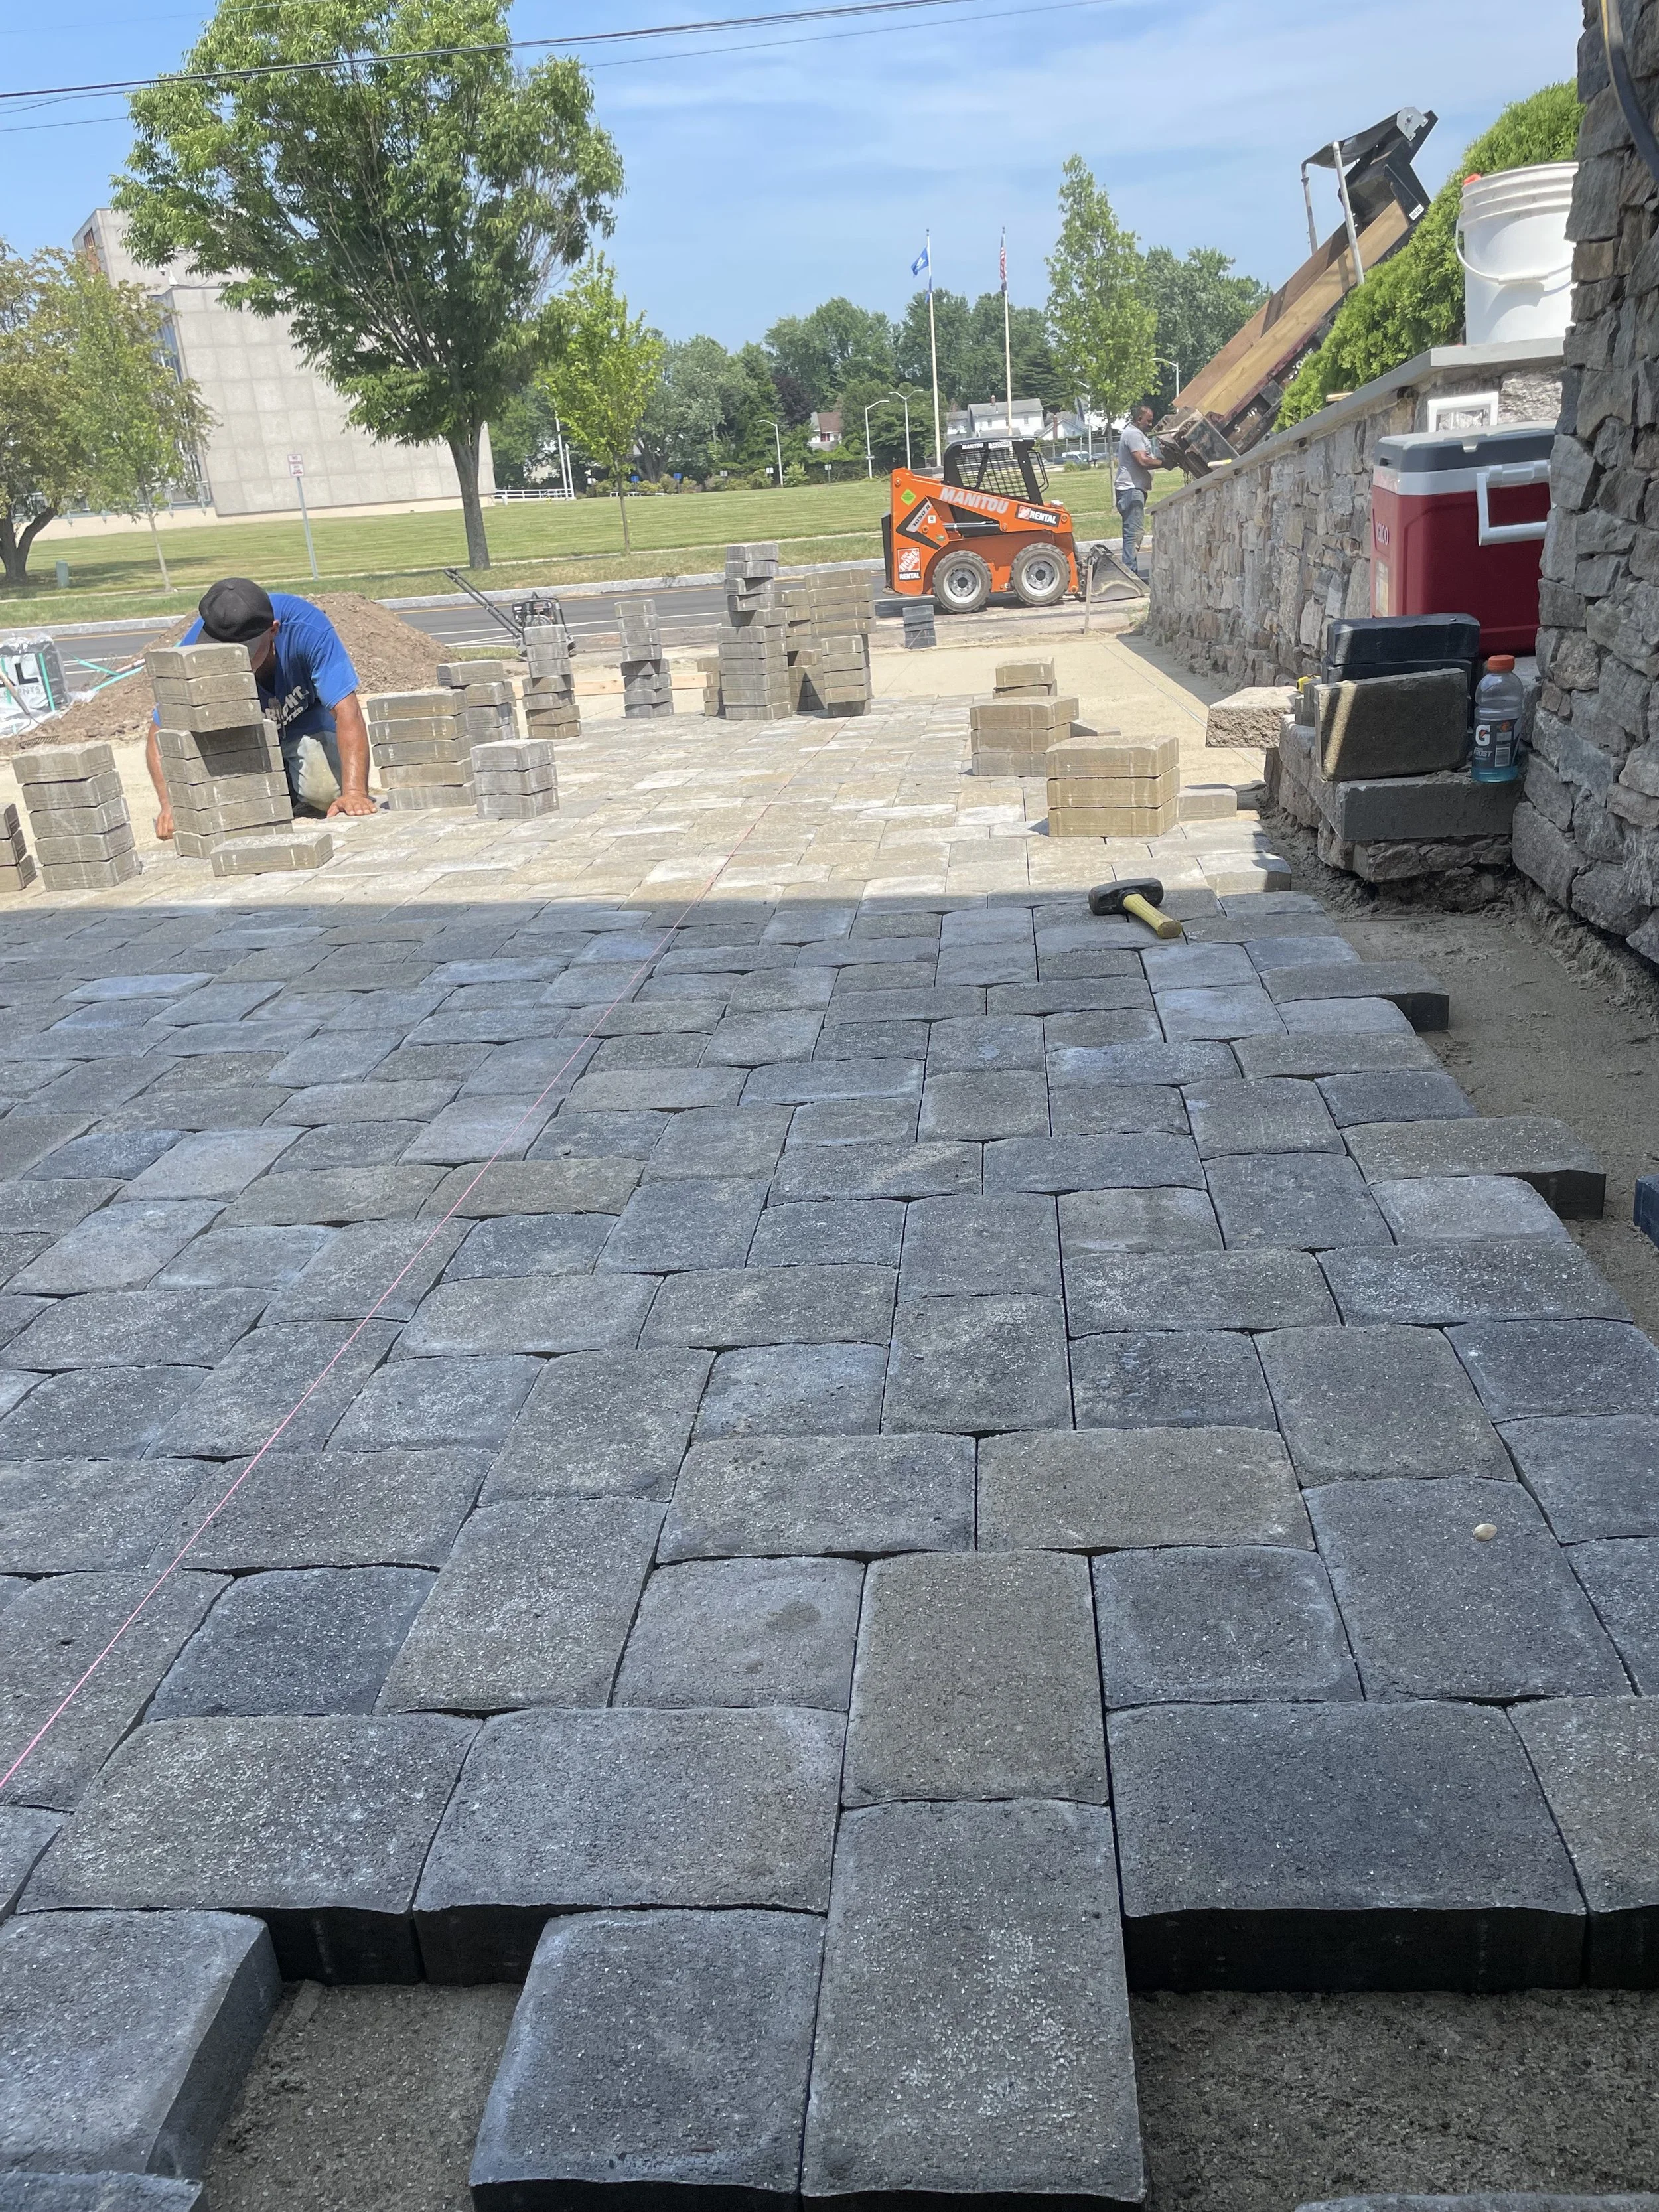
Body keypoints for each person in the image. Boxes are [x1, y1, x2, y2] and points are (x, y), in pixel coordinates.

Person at [146, 577, 376, 840]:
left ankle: (297, 789)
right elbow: (159, 731)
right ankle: (283, 792)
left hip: (305, 721)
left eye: (245, 652)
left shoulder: (309, 629)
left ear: (273, 630)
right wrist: (171, 805)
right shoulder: (195, 647)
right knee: (232, 810)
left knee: (326, 794)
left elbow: (348, 712)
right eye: (222, 651)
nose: (234, 662)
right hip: (245, 732)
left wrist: (355, 793)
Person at [1114, 402, 1166, 581]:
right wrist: (1165, 463)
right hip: (1130, 490)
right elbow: (1143, 461)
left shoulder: (1132, 433)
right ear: (1139, 419)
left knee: (1132, 534)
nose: (1151, 425)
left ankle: (1129, 573)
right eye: (1148, 421)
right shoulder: (1134, 435)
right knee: (1133, 535)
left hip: (1131, 489)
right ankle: (1130, 576)